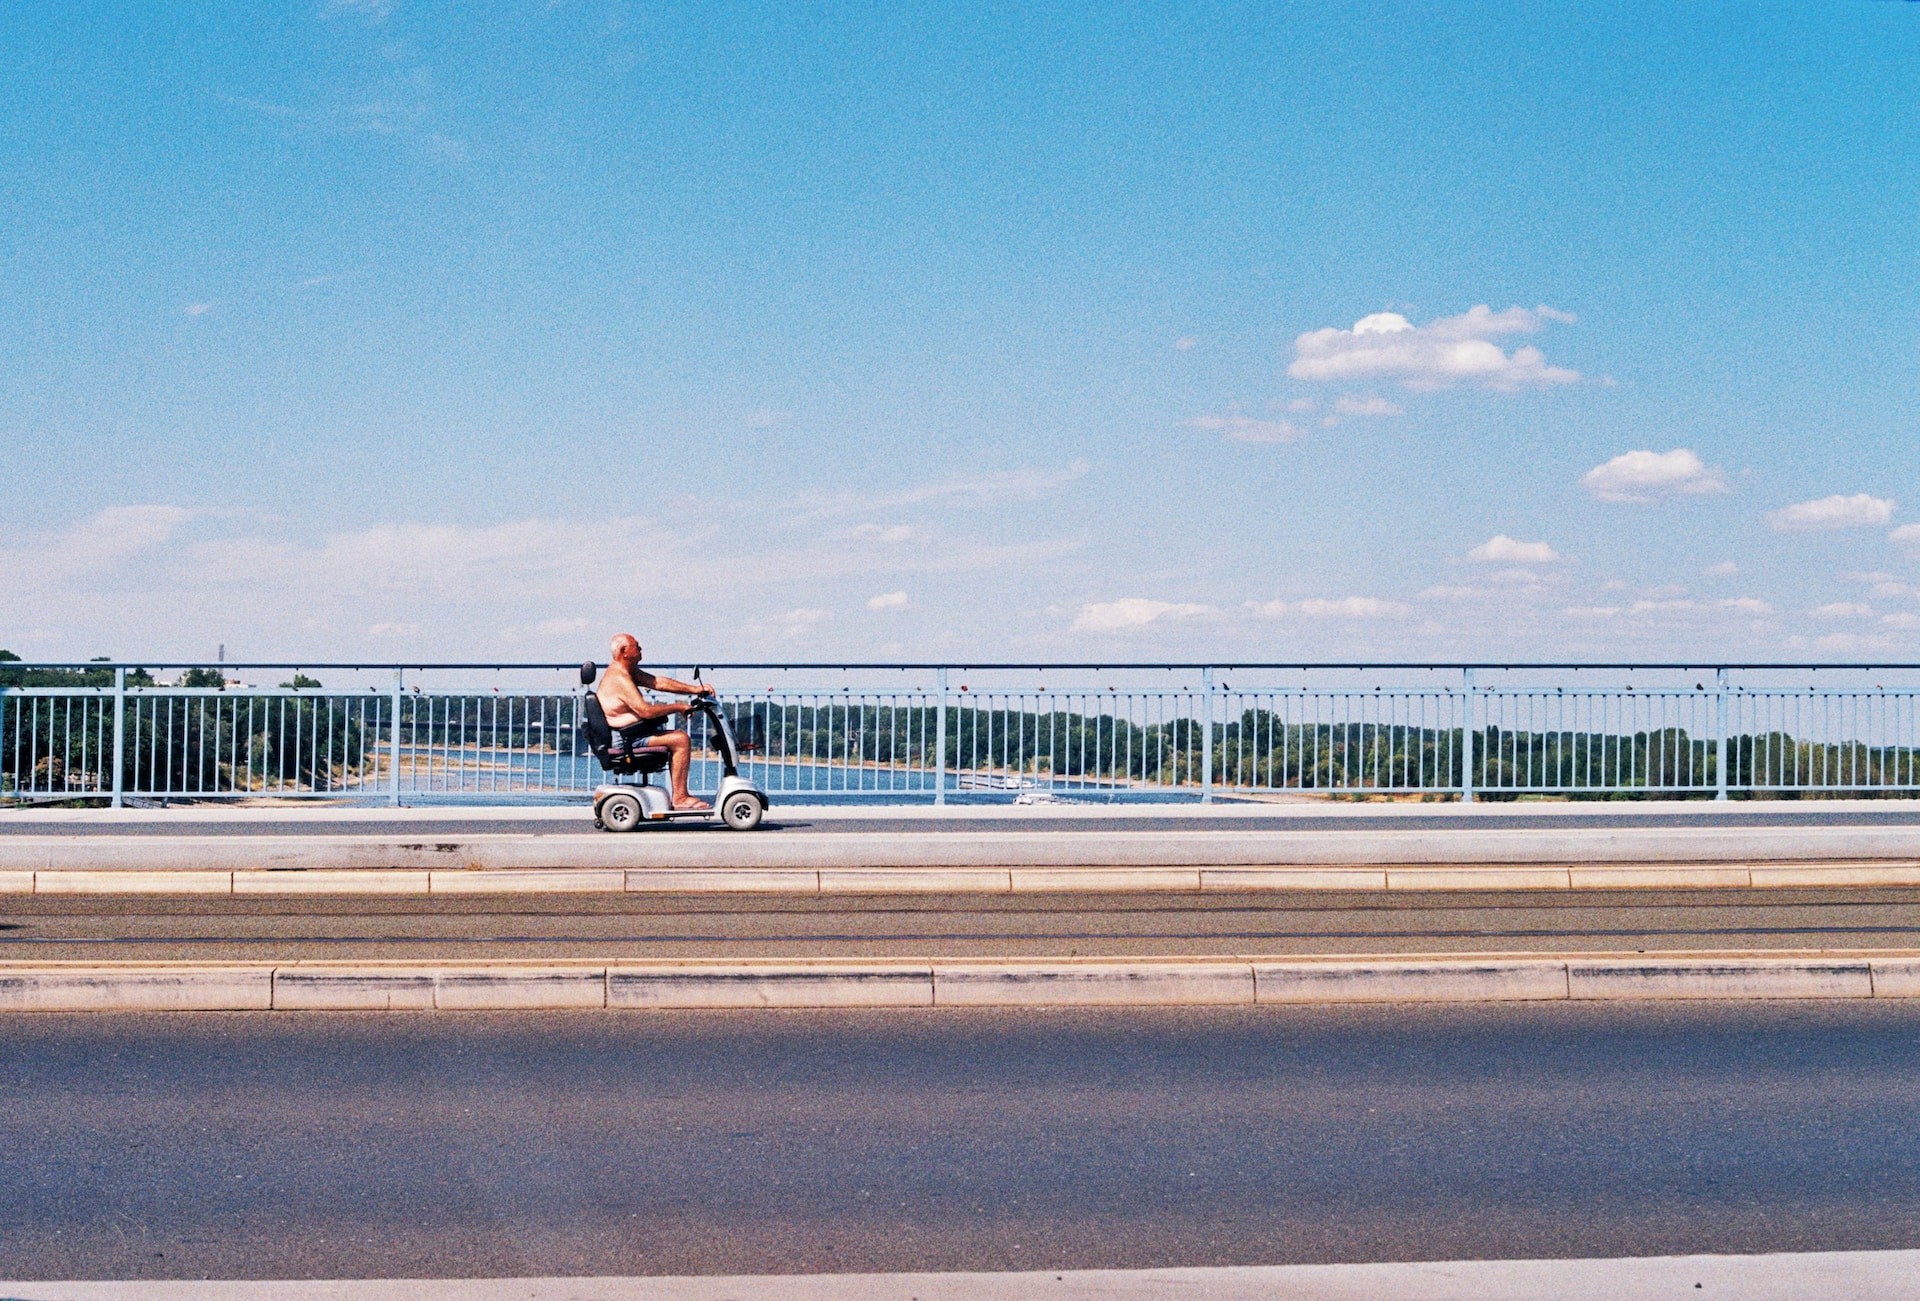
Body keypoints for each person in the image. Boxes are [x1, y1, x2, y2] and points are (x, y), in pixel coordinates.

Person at [596, 632, 715, 811]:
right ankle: (680, 798)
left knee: (678, 737)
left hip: (632, 733)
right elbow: (646, 711)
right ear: (624, 651)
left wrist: (696, 689)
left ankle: (680, 796)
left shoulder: (626, 671)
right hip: (626, 738)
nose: (641, 648)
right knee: (681, 740)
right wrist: (678, 707)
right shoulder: (619, 678)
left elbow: (658, 683)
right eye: (636, 646)